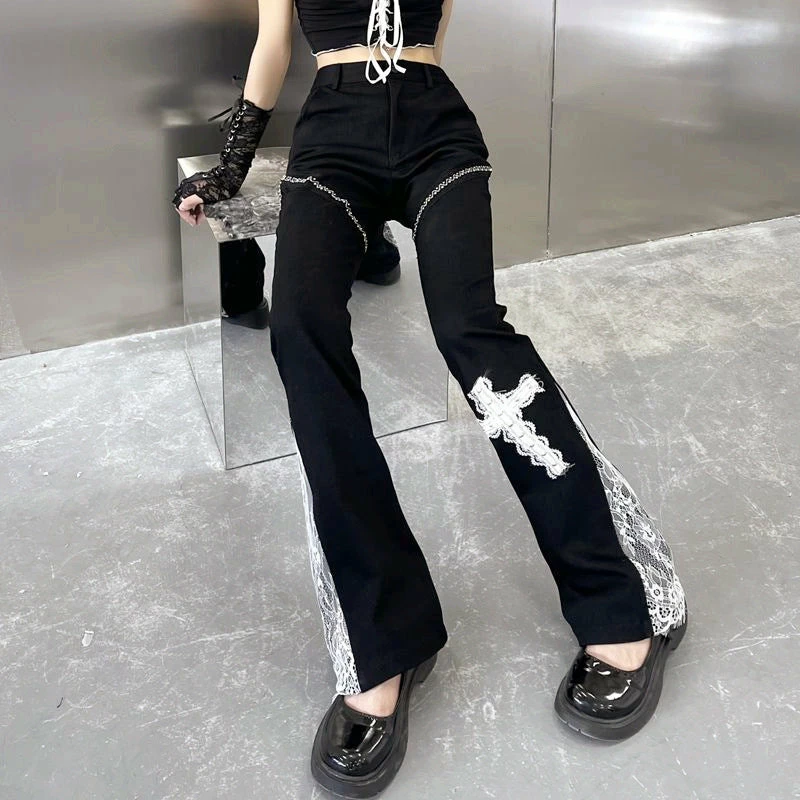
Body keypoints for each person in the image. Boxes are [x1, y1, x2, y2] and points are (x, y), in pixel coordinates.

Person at [173, 1, 688, 796]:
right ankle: (388, 638)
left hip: (434, 129)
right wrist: (232, 165)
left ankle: (617, 597)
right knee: (300, 331)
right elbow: (274, 42)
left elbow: (432, 39)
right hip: (331, 135)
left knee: (472, 334)